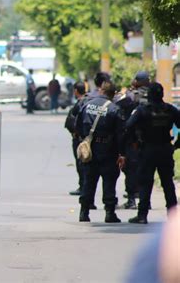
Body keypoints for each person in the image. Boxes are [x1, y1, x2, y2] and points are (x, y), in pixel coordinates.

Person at [125, 82, 180, 224]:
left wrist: (134, 142)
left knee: (145, 182)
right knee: (168, 183)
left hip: (148, 150)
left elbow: (128, 126)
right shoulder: (170, 109)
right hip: (165, 149)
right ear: (162, 94)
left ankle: (142, 215)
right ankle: (173, 216)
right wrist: (177, 144)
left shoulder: (142, 110)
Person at [75, 81, 125, 223]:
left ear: (101, 90)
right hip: (108, 150)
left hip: (90, 149)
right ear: (113, 94)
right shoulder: (114, 109)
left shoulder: (87, 104)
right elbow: (121, 134)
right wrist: (122, 153)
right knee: (109, 181)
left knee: (88, 180)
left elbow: (77, 125)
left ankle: (84, 212)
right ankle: (109, 213)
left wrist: (84, 140)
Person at [114, 71, 150, 209]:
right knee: (147, 170)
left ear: (137, 81)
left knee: (130, 169)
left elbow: (117, 104)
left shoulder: (131, 96)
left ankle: (131, 199)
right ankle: (145, 200)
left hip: (134, 139)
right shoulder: (155, 94)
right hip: (151, 140)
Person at [64, 81, 87, 196]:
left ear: (76, 91)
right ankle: (83, 186)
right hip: (84, 137)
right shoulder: (87, 101)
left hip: (79, 138)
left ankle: (83, 187)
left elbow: (73, 121)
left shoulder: (80, 104)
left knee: (81, 163)